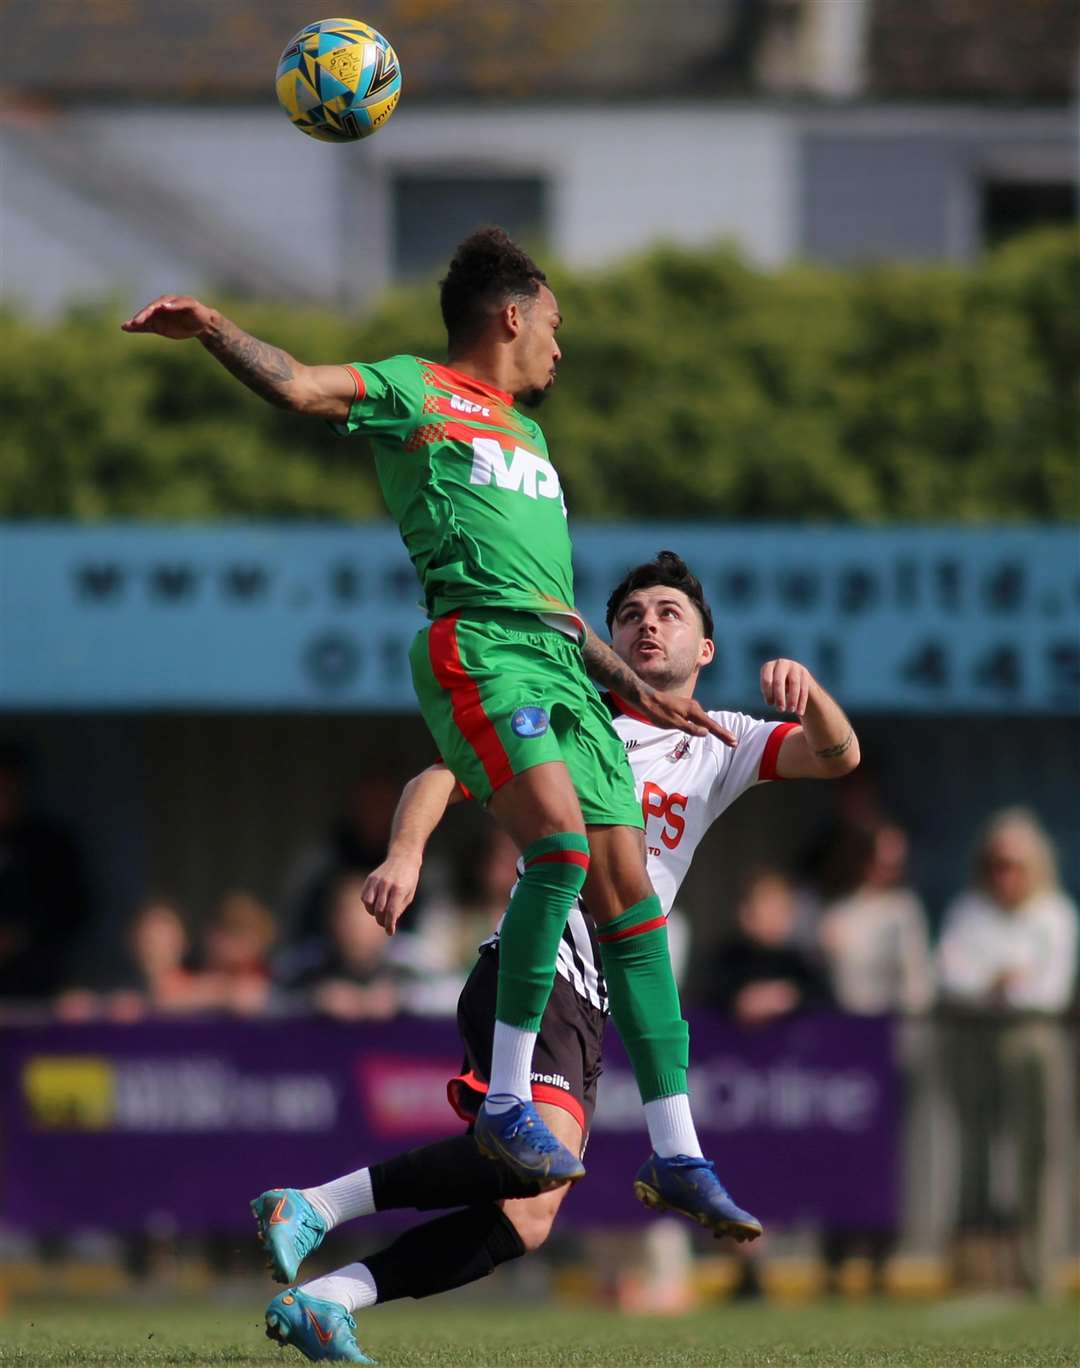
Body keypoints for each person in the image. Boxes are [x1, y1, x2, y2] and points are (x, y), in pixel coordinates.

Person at [122, 229, 741, 1209]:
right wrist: (214, 330)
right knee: (563, 852)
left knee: (633, 901)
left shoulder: (533, 440)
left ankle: (675, 1149)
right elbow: (300, 385)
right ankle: (503, 1099)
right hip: (481, 650)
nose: (560, 347)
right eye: (555, 324)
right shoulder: (418, 389)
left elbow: (555, 606)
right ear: (512, 317)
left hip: (561, 664)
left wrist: (636, 685)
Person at [247, 552, 860, 1360]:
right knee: (543, 1162)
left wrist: (809, 690)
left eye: (670, 612)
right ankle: (316, 1206)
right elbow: (439, 774)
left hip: (603, 994)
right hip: (538, 969)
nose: (649, 622)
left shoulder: (724, 740)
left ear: (705, 649)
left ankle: (331, 1294)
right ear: (606, 640)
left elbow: (838, 755)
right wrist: (404, 854)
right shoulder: (573, 715)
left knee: (527, 1215)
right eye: (632, 612)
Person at [708, 869, 833, 1027]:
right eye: (767, 907)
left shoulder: (801, 964)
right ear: (746, 913)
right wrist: (741, 1000)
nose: (775, 917)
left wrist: (790, 997)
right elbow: (706, 1000)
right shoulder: (726, 961)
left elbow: (826, 1007)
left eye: (781, 908)